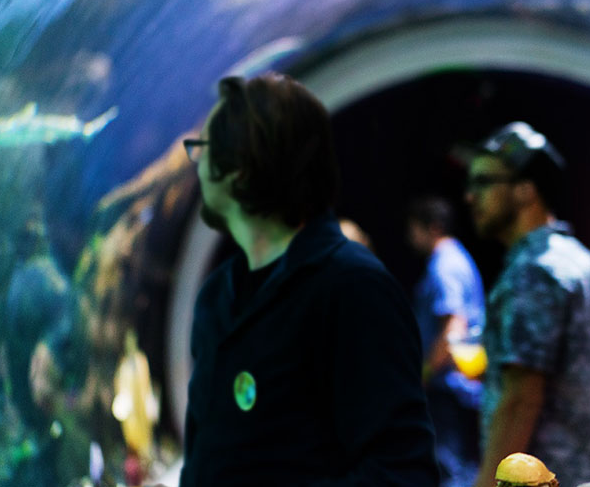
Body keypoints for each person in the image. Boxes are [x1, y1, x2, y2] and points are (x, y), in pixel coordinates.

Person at [179, 72, 438, 485]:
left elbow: (401, 471)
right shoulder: (217, 296)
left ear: (241, 169)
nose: (197, 166)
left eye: (203, 149)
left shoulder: (353, 288)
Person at [462, 122, 590, 487]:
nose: (470, 197)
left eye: (483, 183)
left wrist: (488, 482)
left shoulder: (533, 270)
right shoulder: (581, 260)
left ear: (525, 190)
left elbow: (520, 398)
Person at [407, 195, 487, 487]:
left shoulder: (444, 264)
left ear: (432, 227)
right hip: (459, 386)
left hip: (449, 387)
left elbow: (453, 326)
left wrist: (423, 375)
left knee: (452, 468)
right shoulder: (458, 258)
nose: (409, 237)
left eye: (413, 228)